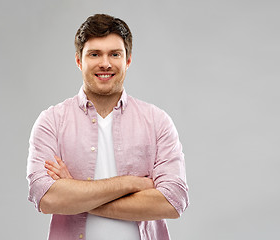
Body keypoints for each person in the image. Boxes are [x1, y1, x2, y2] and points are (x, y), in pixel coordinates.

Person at [26, 13, 189, 240]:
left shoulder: (157, 121)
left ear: (128, 60)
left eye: (115, 54)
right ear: (79, 61)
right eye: (95, 54)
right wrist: (131, 184)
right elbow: (45, 197)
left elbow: (173, 201)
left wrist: (74, 192)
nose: (105, 63)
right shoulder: (51, 121)